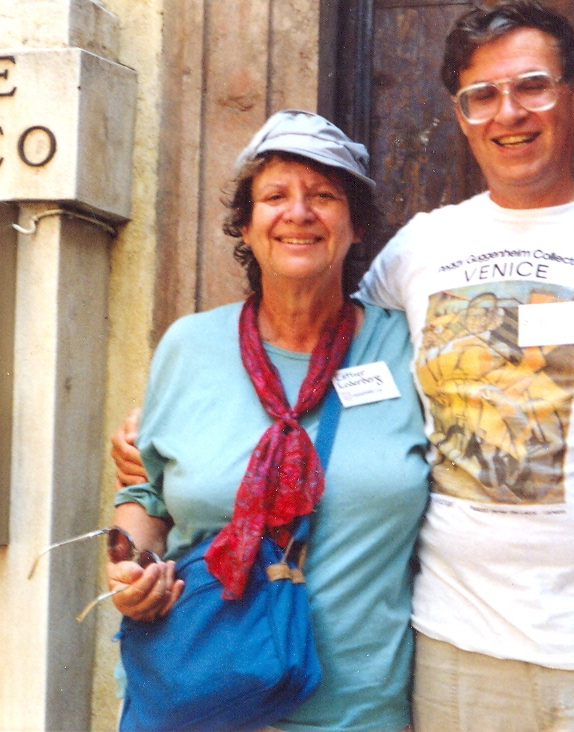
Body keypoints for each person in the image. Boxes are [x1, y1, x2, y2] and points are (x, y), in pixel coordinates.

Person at [114, 0, 574, 731]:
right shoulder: (417, 252)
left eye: (531, 85)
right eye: (482, 95)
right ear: (461, 112)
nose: (509, 112)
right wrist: (143, 459)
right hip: (456, 650)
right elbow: (286, 358)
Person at [107, 109, 429, 732]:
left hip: (355, 713)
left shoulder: (406, 348)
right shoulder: (190, 346)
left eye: (324, 196)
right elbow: (144, 493)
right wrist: (128, 566)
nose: (299, 213)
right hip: (197, 701)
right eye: (275, 196)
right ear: (248, 228)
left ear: (356, 225)